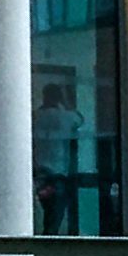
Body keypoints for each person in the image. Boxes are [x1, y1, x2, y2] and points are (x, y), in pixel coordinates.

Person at [33, 84, 84, 236]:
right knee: (54, 220)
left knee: (42, 215)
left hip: (39, 172)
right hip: (57, 174)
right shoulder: (66, 117)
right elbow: (80, 119)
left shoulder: (35, 116)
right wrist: (67, 103)